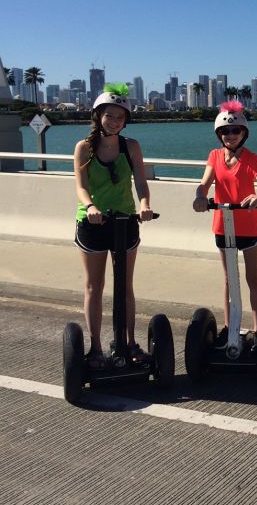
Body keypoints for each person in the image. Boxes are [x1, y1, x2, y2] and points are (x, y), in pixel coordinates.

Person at [73, 84, 155, 370]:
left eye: (120, 117)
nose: (115, 122)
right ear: (98, 116)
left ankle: (129, 343)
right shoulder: (84, 148)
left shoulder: (130, 147)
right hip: (93, 223)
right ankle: (95, 349)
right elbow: (81, 188)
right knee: (94, 286)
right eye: (110, 116)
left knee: (125, 287)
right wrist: (92, 207)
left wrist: (144, 204)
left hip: (125, 221)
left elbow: (142, 182)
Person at [193, 100, 257, 349]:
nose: (230, 135)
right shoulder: (214, 156)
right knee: (229, 279)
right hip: (223, 224)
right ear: (219, 134)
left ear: (244, 133)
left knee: (252, 278)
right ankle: (230, 327)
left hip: (248, 225)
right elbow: (205, 183)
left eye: (235, 131)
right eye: (225, 132)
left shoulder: (251, 159)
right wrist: (200, 197)